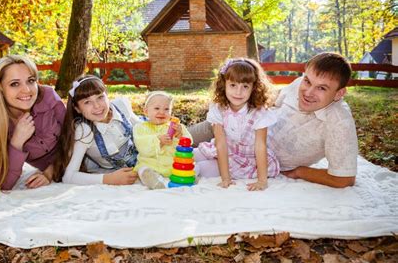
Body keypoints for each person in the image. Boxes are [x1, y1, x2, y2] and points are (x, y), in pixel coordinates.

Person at [0, 55, 66, 192]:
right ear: (0, 88)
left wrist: (50, 172)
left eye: (31, 80)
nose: (27, 90)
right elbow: (3, 184)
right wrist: (16, 142)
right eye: (15, 84)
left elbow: (74, 137)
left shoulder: (49, 97)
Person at [270, 52, 358, 188]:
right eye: (308, 81)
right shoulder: (299, 83)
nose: (308, 93)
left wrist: (300, 172)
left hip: (269, 165)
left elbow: (344, 179)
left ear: (339, 94)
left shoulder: (340, 123)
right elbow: (272, 102)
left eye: (321, 88)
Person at [194, 58, 280, 190]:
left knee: (199, 168)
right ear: (224, 85)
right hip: (223, 150)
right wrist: (225, 177)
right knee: (190, 155)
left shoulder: (259, 113)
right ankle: (157, 166)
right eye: (233, 85)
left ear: (254, 88)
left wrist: (262, 181)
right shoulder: (218, 108)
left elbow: (260, 146)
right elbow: (220, 143)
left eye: (245, 86)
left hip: (247, 159)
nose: (238, 92)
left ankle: (179, 172)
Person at [53, 75, 139, 185]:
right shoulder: (85, 131)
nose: (97, 106)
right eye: (87, 102)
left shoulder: (120, 106)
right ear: (77, 108)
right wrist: (109, 179)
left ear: (107, 95)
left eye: (100, 97)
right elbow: (69, 177)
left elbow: (143, 127)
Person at [133, 91, 192, 189]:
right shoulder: (139, 127)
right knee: (142, 170)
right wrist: (158, 140)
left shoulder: (177, 127)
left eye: (166, 109)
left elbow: (189, 143)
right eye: (157, 108)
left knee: (192, 165)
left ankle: (187, 177)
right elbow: (141, 145)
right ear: (146, 111)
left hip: (172, 165)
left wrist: (180, 135)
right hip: (150, 164)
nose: (162, 112)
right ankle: (153, 181)